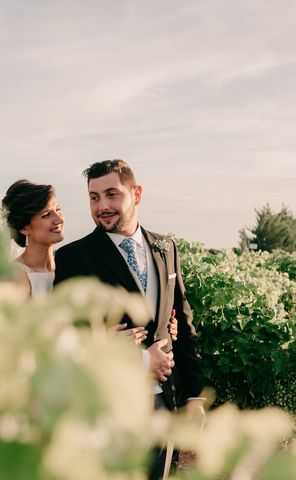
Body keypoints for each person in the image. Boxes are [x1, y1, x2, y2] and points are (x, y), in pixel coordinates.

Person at [53, 160, 205, 478]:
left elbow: (183, 323)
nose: (102, 206)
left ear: (136, 193)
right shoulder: (73, 258)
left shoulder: (167, 248)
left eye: (112, 194)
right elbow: (66, 339)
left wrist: (194, 395)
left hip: (165, 402)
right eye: (94, 197)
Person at [0, 179, 164, 345]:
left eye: (58, 209)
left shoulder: (71, 266)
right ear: (24, 227)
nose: (59, 219)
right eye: (46, 214)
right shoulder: (14, 277)